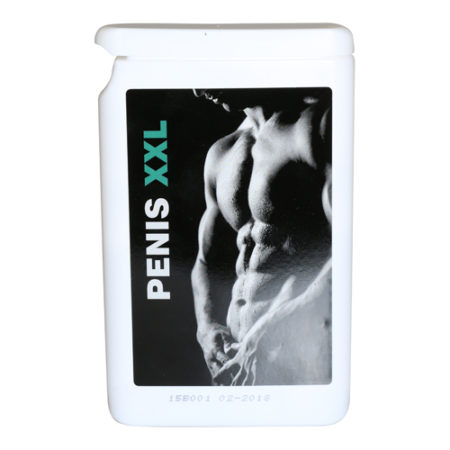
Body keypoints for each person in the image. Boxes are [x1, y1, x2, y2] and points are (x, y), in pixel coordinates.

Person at [191, 88, 332, 385]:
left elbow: (355, 251)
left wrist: (273, 330)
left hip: (304, 356)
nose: (198, 89)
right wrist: (206, 326)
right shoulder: (222, 153)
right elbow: (205, 261)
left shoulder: (313, 125)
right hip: (240, 364)